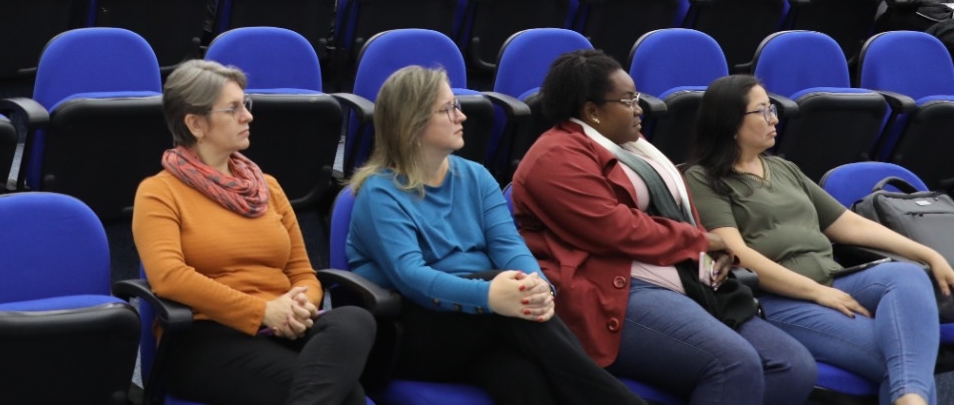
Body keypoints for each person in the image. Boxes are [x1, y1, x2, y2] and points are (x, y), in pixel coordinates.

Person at [512, 50, 816, 405]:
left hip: (684, 276)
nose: (639, 109)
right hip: (615, 290)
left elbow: (681, 215)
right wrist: (702, 242)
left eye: (637, 98)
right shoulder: (554, 157)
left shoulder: (634, 147)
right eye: (628, 101)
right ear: (592, 111)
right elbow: (616, 229)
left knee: (793, 368)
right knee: (734, 364)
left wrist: (711, 259)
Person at [347, 66, 643, 405]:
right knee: (507, 298)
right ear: (412, 123)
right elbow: (411, 277)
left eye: (457, 105)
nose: (461, 116)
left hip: (482, 326)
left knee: (522, 377)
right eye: (447, 109)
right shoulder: (380, 193)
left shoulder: (476, 176)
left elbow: (509, 245)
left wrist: (537, 285)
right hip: (410, 332)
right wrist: (489, 295)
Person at [685, 75, 951, 405]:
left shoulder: (783, 168)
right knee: (904, 355)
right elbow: (737, 255)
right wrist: (818, 293)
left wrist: (929, 255)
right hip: (776, 298)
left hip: (832, 277)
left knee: (908, 276)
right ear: (730, 123)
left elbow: (849, 224)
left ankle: (909, 398)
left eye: (772, 109)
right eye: (762, 111)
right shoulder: (703, 178)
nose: (774, 119)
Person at [133, 59, 376, 405]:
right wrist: (261, 310)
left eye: (245, 105)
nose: (248, 116)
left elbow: (302, 272)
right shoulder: (159, 192)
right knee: (348, 395)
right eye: (233, 109)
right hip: (205, 338)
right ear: (196, 124)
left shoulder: (268, 187)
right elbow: (169, 278)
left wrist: (299, 306)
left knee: (355, 319)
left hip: (280, 327)